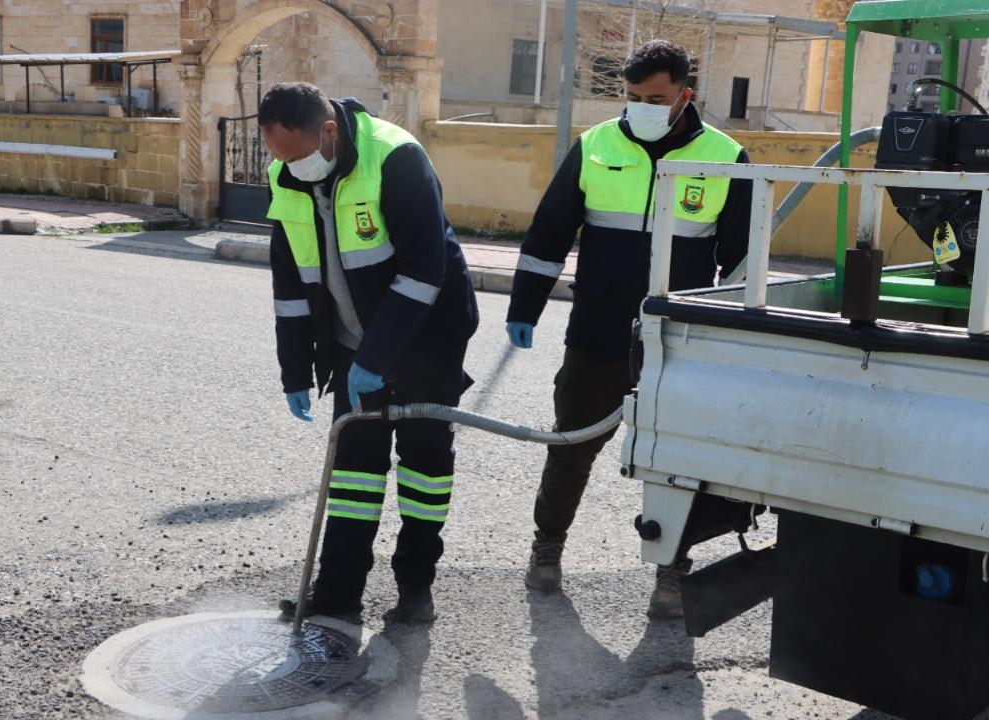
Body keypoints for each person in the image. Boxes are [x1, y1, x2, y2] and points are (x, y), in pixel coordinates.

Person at [506, 41, 752, 618]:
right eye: (634, 96)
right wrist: (524, 307)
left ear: (685, 95)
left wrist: (729, 337)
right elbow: (549, 233)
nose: (642, 107)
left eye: (656, 99)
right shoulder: (595, 145)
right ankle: (547, 547)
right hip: (598, 330)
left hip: (679, 345)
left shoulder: (726, 156)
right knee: (571, 447)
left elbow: (741, 262)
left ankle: (672, 571)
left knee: (678, 463)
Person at [260, 82, 478, 623]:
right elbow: (290, 287)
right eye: (281, 159)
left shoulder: (396, 156)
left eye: (299, 157)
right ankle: (337, 594)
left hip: (428, 340)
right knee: (354, 472)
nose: (291, 169)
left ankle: (415, 592)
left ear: (329, 132)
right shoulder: (285, 175)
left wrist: (376, 357)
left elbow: (425, 271)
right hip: (352, 346)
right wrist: (295, 371)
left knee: (424, 469)